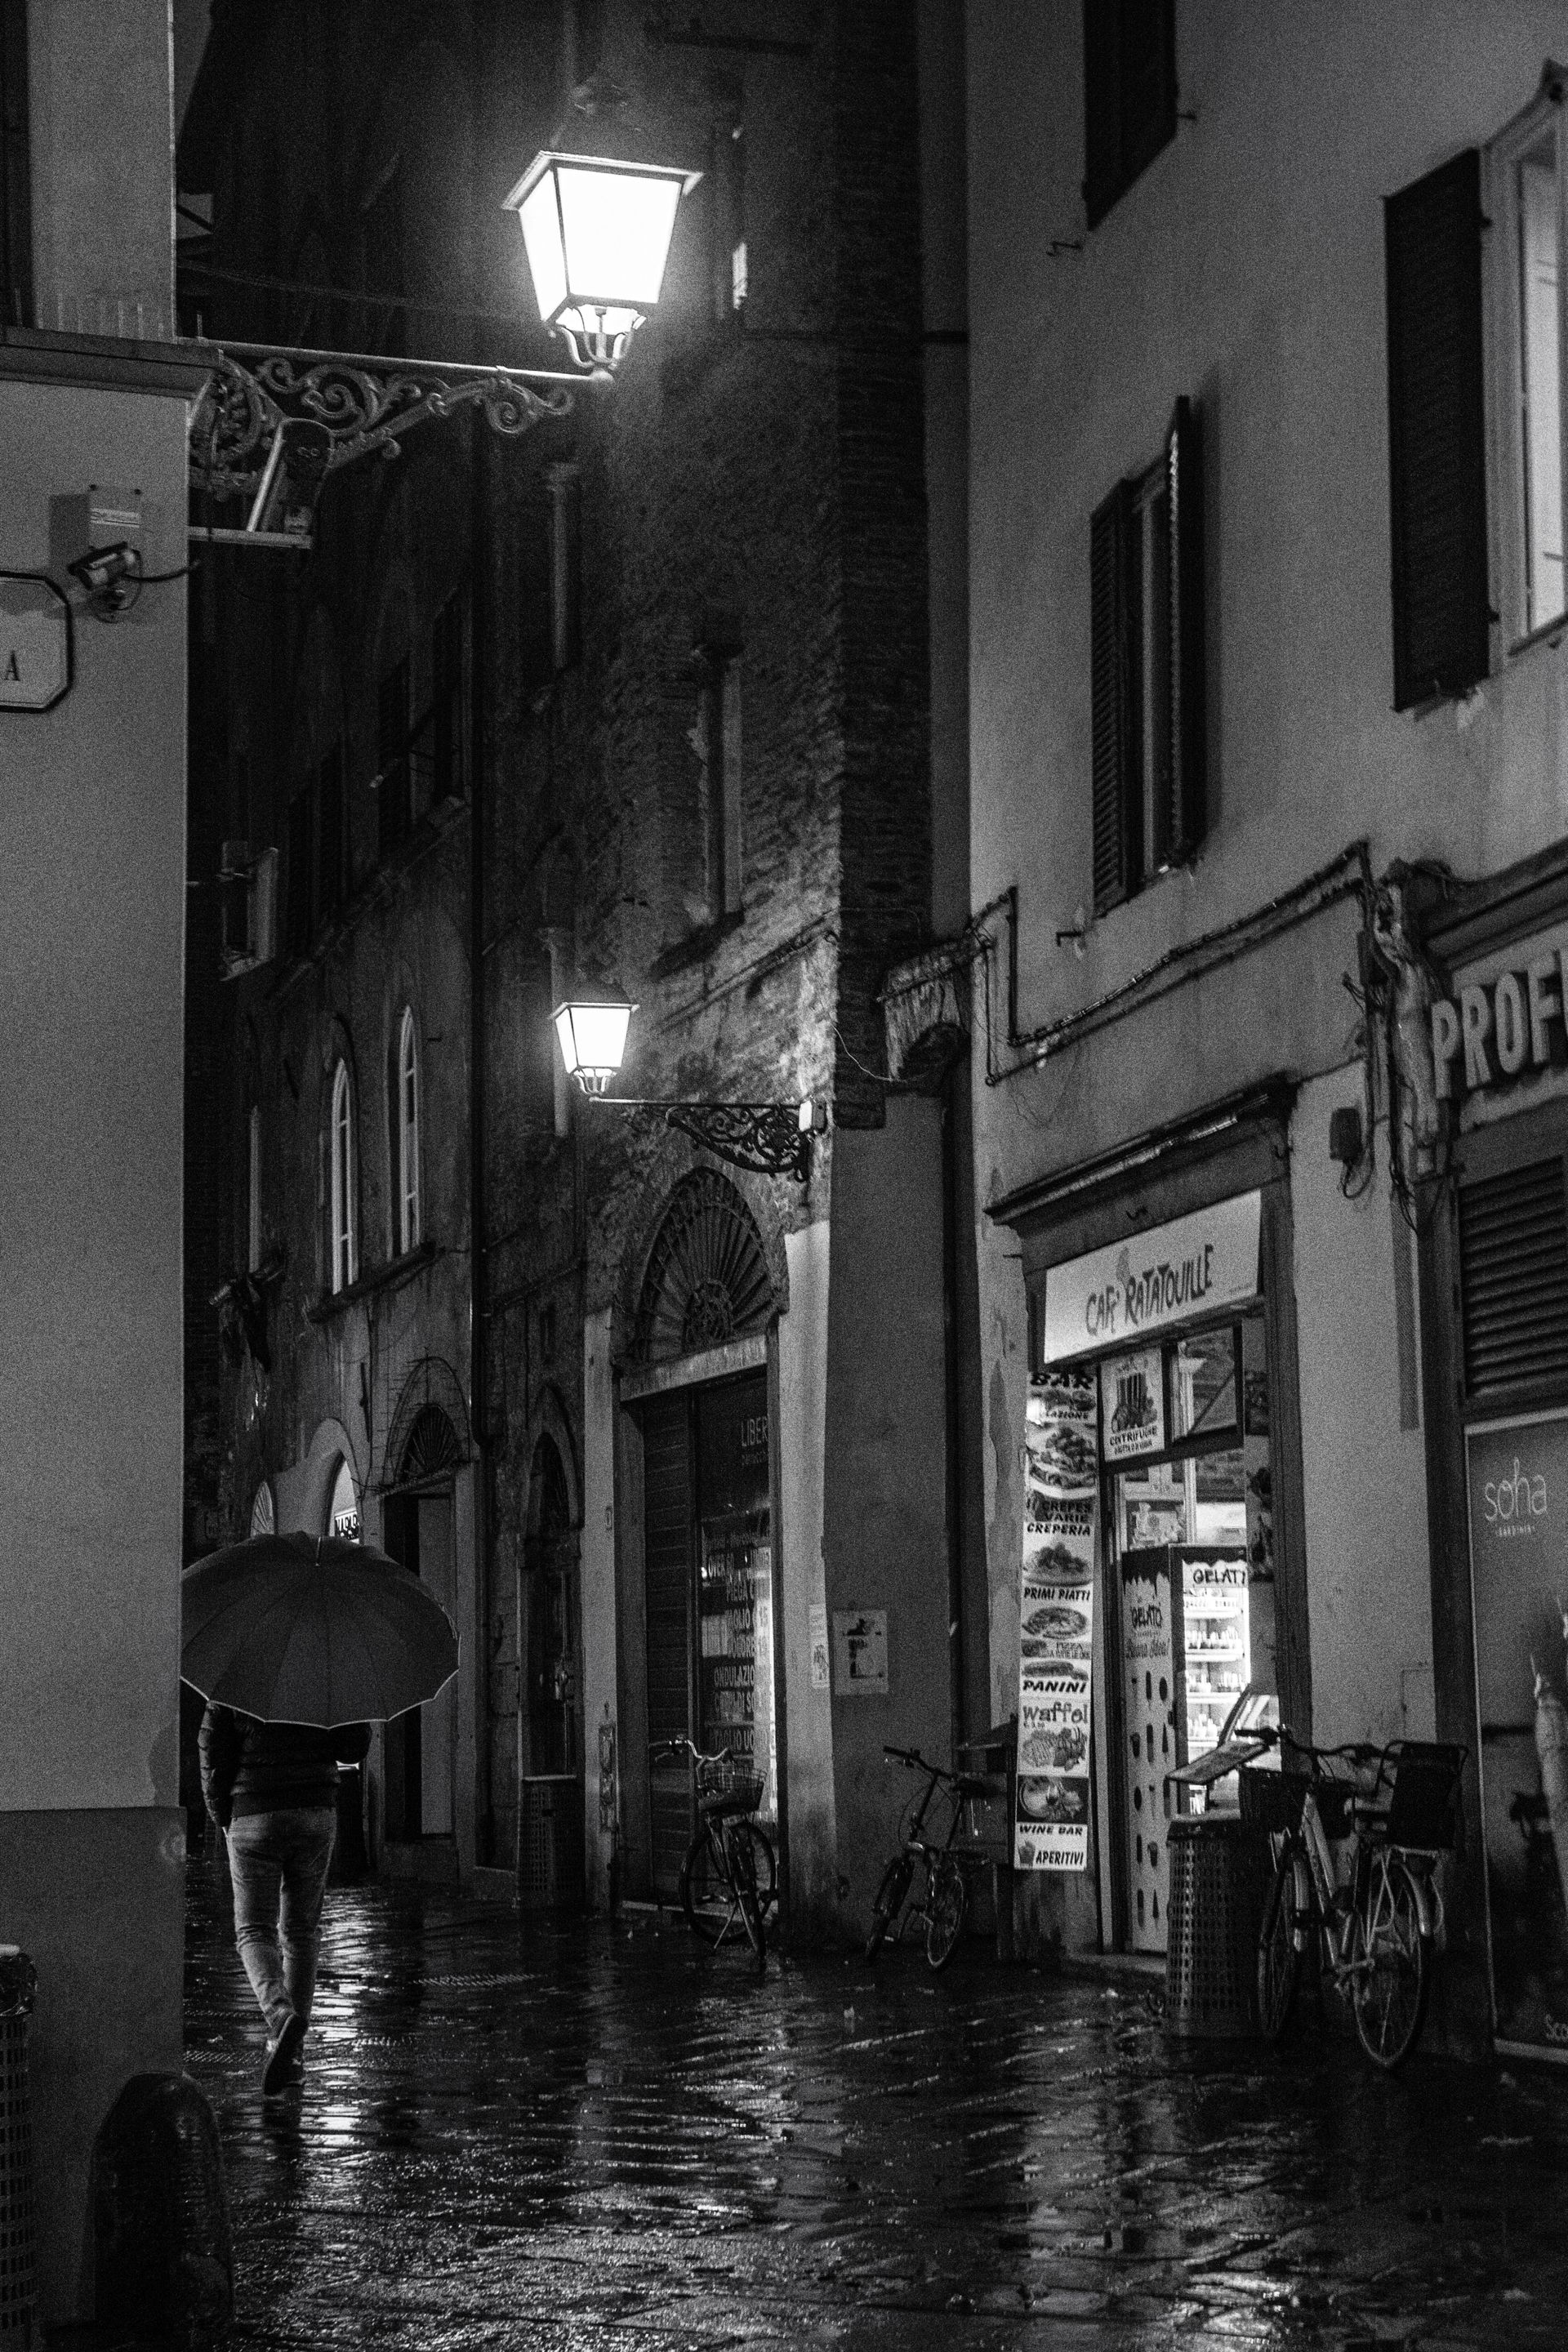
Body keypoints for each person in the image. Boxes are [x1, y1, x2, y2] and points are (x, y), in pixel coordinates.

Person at [199, 1704, 371, 2096]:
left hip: (253, 1810)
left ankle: (280, 2015)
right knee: (301, 1932)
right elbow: (353, 1747)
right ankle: (292, 2059)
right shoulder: (328, 1671)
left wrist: (220, 1815)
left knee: (253, 1930)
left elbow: (212, 1750)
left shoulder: (234, 1675)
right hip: (315, 1808)